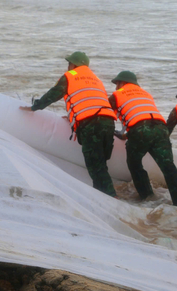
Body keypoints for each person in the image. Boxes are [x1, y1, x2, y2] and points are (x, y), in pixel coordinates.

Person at [21, 52, 118, 197]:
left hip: (91, 124)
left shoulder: (70, 76)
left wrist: (34, 107)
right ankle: (104, 195)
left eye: (69, 63)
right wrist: (72, 117)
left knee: (95, 165)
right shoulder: (96, 79)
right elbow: (91, 100)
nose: (68, 66)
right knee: (101, 163)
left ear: (75, 64)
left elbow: (53, 95)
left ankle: (110, 199)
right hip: (109, 121)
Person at [109, 71, 177, 207]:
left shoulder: (117, 95)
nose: (116, 87)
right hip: (160, 129)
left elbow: (106, 115)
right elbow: (143, 115)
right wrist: (127, 134)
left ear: (122, 82)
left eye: (117, 84)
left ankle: (147, 196)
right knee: (168, 167)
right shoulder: (145, 94)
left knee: (134, 163)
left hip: (140, 130)